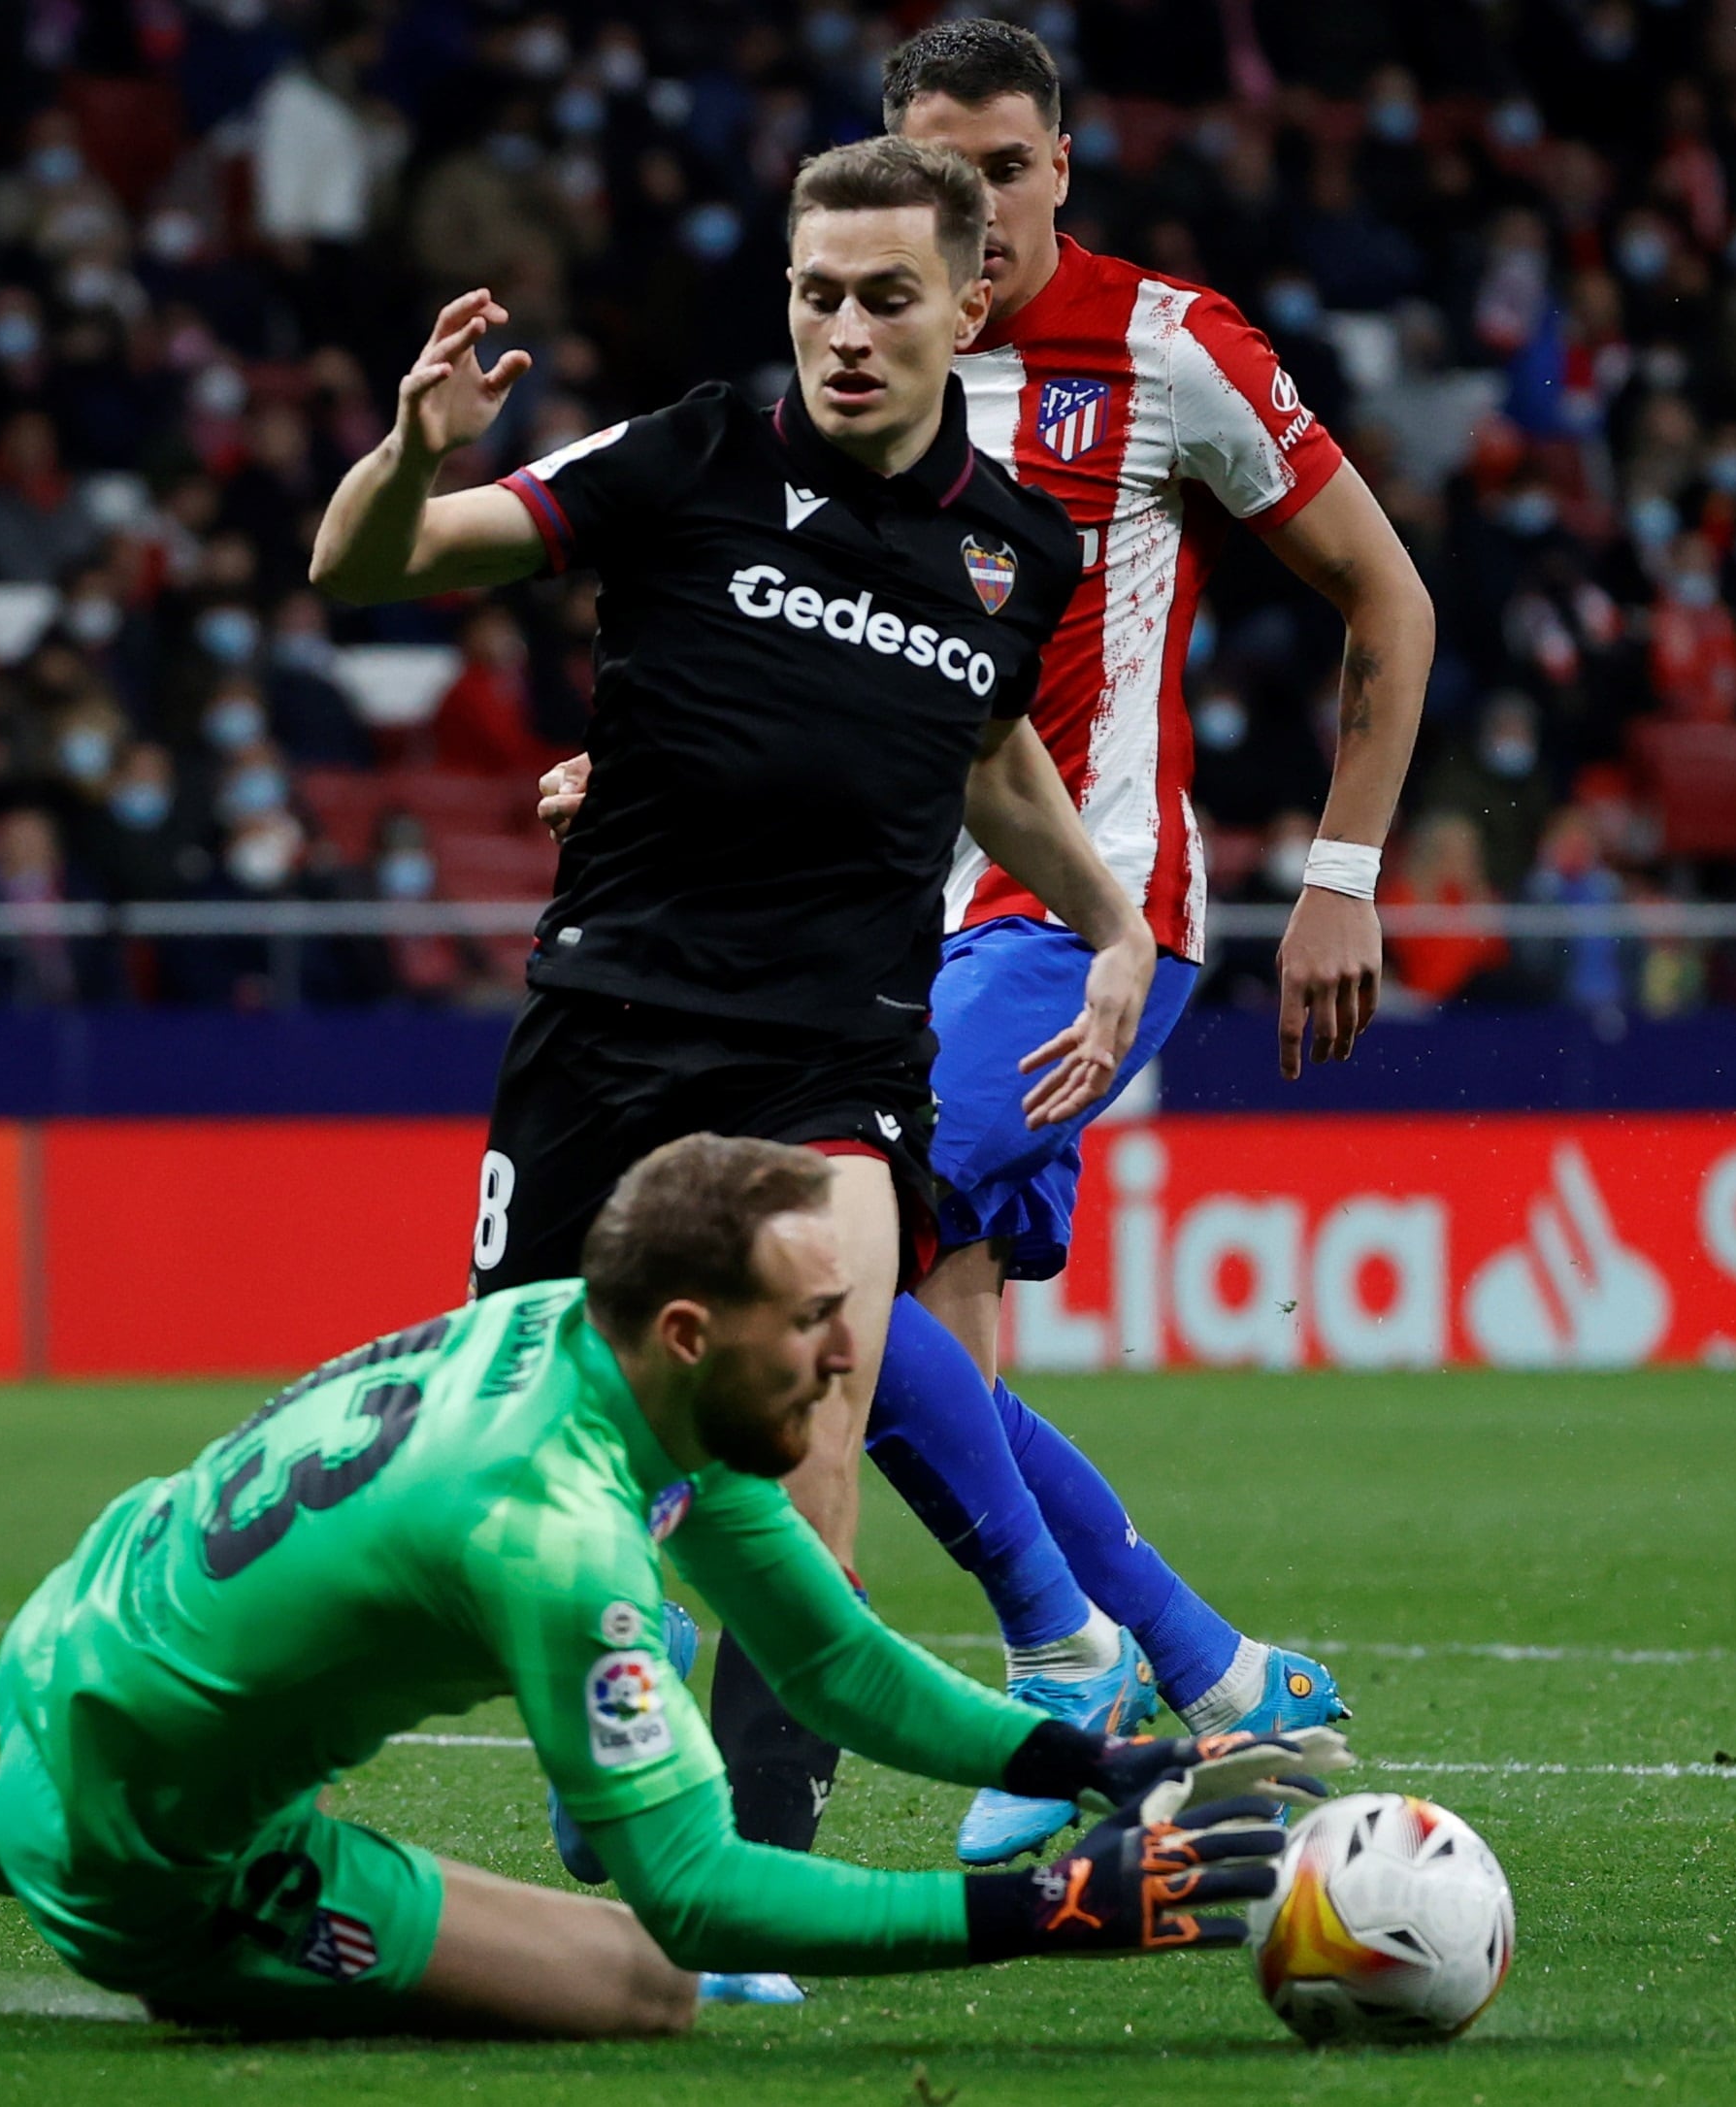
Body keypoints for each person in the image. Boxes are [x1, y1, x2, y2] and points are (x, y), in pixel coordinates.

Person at [545, 21, 1428, 1883]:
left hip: (1076, 904)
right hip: (863, 923)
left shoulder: (1173, 348)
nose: (982, 208)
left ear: (1061, 168)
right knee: (900, 1354)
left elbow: (1387, 594)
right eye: (943, 170)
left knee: (823, 1265)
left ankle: (1122, 1656)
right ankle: (1199, 1678)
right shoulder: (853, 380)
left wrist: (1341, 870)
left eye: (1010, 168)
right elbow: (782, 646)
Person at [309, 136, 1159, 1946]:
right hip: (609, 1024)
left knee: (811, 1415)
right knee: (528, 1457)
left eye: (886, 296)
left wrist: (1112, 920)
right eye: (815, 293)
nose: (845, 330)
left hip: (829, 1058)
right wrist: (412, 452)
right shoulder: (686, 456)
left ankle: (755, 1896)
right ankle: (609, 1751)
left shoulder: (1019, 547)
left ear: (968, 301)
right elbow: (373, 569)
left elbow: (990, 759)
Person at [0, 1136, 1338, 2036]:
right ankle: (71, 1893)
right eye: (817, 1319)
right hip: (171, 1852)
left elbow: (827, 1658)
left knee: (120, 1763)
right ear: (692, 1332)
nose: (855, 1351)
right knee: (642, 1990)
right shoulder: (557, 1535)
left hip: (95, 1637)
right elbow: (695, 1898)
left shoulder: (572, 1348)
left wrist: (1082, 1770)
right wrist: (1041, 1911)